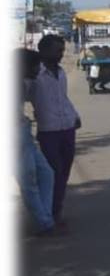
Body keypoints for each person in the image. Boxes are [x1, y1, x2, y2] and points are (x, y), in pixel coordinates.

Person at [29, 34, 81, 225]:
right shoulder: (34, 75)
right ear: (43, 51)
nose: (61, 54)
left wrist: (74, 115)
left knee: (64, 172)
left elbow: (63, 98)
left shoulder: (61, 73)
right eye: (57, 50)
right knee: (53, 173)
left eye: (62, 50)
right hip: (48, 130)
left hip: (67, 127)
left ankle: (56, 210)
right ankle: (48, 213)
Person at [18, 48, 58, 236]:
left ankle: (46, 217)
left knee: (46, 173)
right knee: (29, 180)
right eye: (35, 66)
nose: (38, 69)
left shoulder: (23, 82)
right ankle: (45, 222)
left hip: (23, 133)